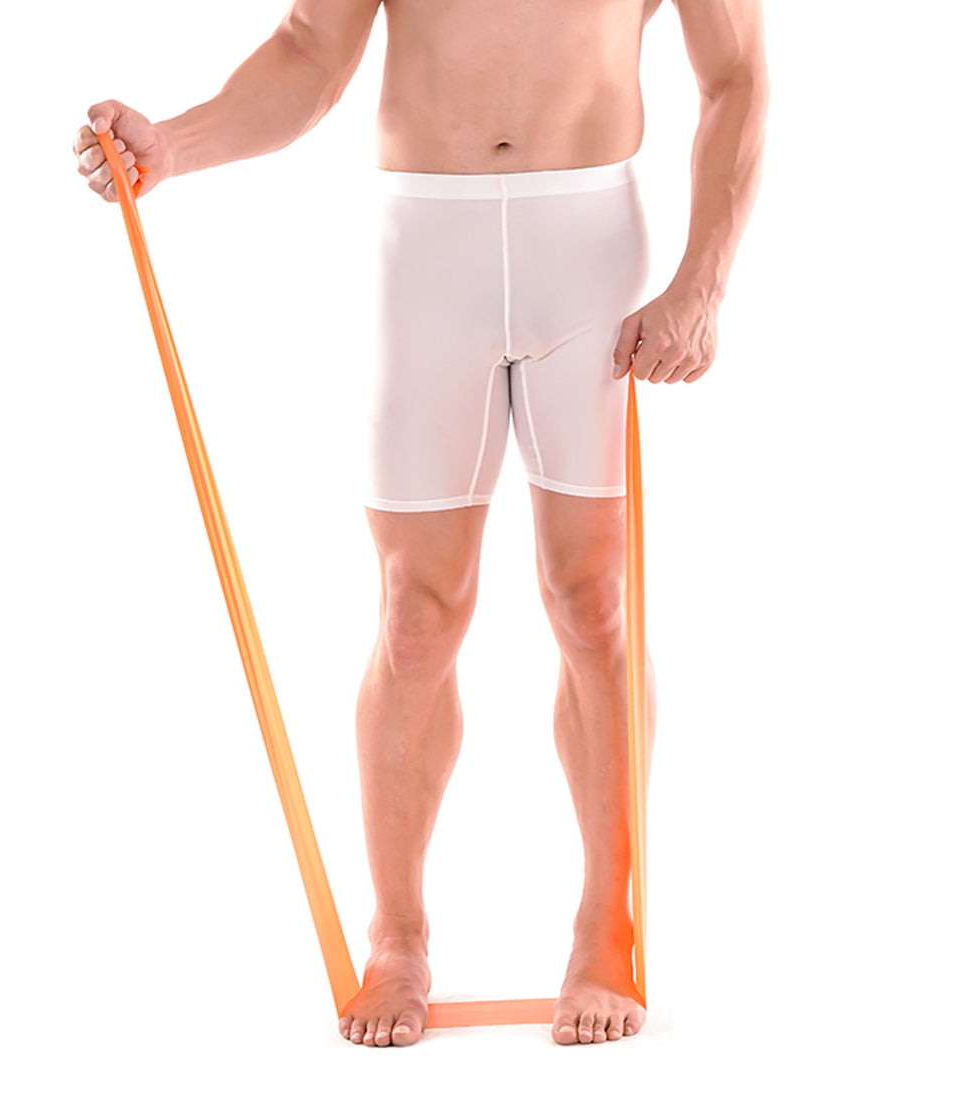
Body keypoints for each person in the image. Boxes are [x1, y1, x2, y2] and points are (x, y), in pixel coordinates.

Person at [73, 0, 768, 1048]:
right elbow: (310, 52)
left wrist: (703, 284)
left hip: (586, 243)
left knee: (593, 600)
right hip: (426, 246)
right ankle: (396, 937)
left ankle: (603, 924)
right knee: (413, 615)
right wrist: (173, 145)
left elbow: (736, 76)